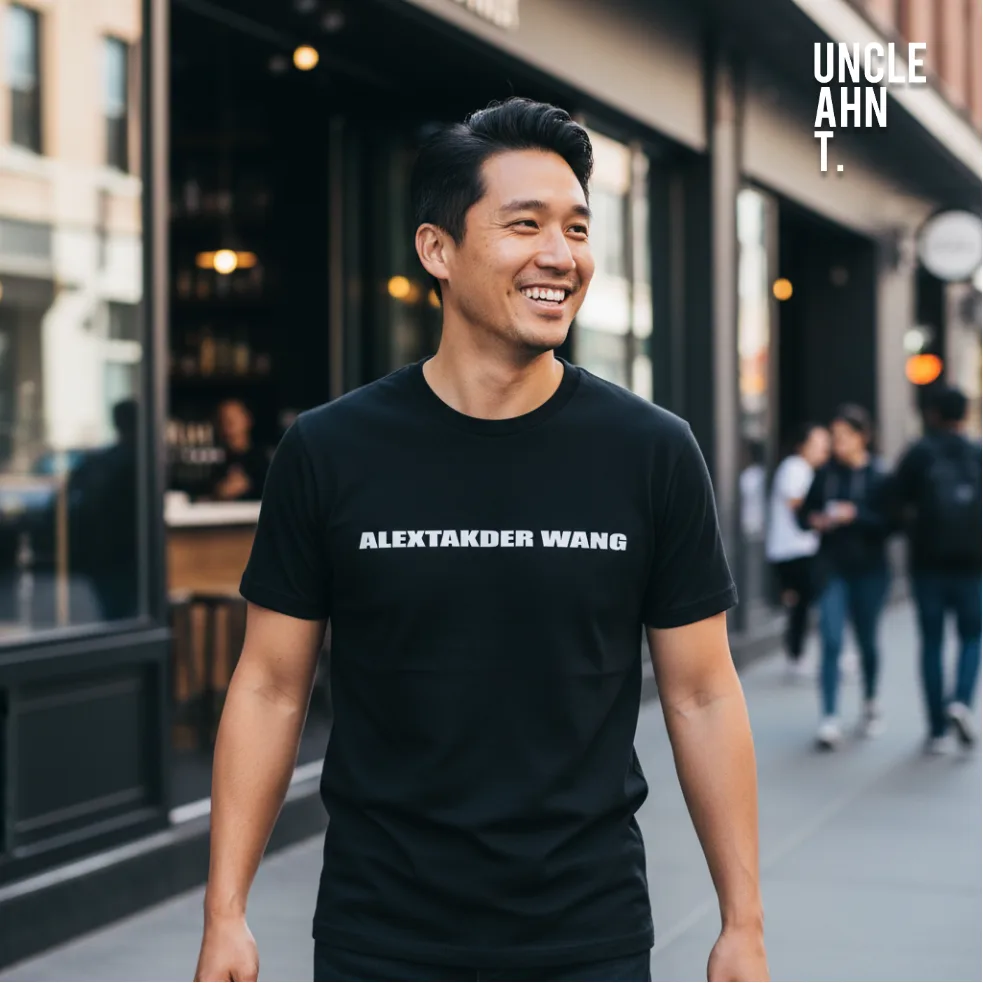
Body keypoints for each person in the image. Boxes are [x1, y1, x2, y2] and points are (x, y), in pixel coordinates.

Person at [194, 99, 768, 983]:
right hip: (380, 934)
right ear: (437, 250)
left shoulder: (651, 451)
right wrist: (224, 912)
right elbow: (271, 684)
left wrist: (742, 923)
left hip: (587, 934)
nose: (560, 255)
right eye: (524, 224)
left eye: (577, 227)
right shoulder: (331, 449)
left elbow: (701, 693)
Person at [892, 385, 982, 754]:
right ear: (964, 415)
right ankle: (960, 699)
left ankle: (936, 730)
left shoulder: (919, 454)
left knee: (931, 641)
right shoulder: (977, 454)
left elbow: (893, 502)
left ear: (933, 414)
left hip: (928, 564)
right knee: (971, 637)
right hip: (972, 565)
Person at [798, 405, 892, 751]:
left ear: (862, 437)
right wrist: (816, 520)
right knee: (831, 638)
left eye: (845, 437)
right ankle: (829, 716)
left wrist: (856, 515)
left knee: (867, 640)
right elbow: (803, 515)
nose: (838, 444)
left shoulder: (880, 475)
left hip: (871, 571)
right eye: (834, 437)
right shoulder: (825, 474)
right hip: (832, 569)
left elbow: (890, 523)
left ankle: (869, 700)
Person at [765, 423, 831, 678]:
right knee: (803, 603)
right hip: (792, 549)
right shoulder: (795, 468)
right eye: (818, 444)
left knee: (804, 603)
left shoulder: (807, 470)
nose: (823, 450)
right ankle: (796, 656)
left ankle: (799, 654)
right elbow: (798, 506)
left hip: (802, 548)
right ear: (802, 445)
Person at [209, 398, 269, 502]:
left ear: (248, 420)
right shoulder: (212, 460)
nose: (229, 424)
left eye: (235, 417)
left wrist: (248, 486)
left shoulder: (264, 459)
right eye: (224, 419)